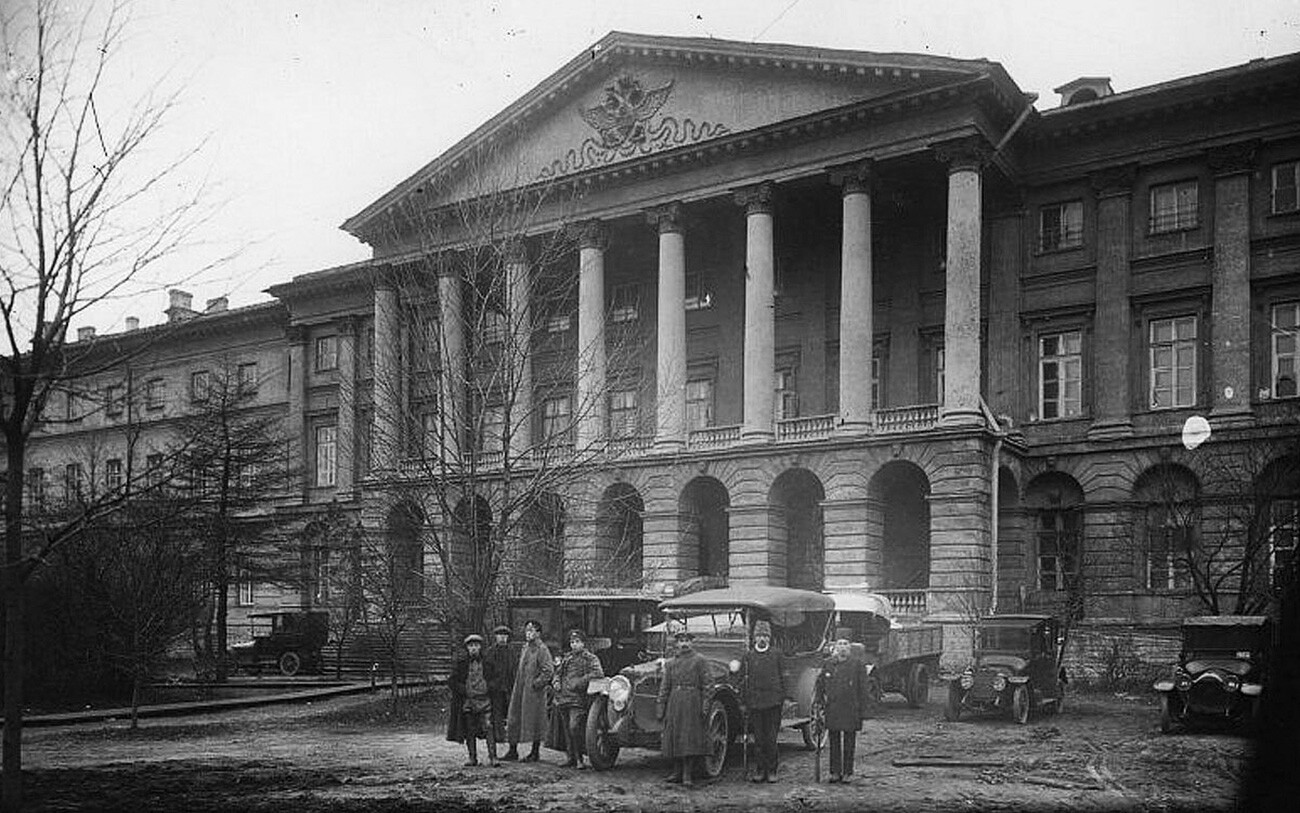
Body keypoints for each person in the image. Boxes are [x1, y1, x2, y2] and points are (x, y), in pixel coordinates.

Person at [814, 627, 872, 783]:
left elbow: (864, 690)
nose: (842, 647)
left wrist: (863, 711)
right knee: (834, 742)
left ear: (850, 647)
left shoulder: (857, 665)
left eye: (846, 644)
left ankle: (847, 772)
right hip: (833, 709)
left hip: (851, 709)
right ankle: (834, 772)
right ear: (835, 646)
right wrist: (819, 705)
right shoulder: (828, 664)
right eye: (840, 643)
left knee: (849, 742)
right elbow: (820, 687)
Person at [657, 628, 710, 788]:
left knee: (689, 738)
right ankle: (676, 771)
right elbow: (665, 686)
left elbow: (708, 684)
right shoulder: (671, 663)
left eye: (687, 641)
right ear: (676, 644)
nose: (684, 644)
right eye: (681, 641)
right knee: (674, 737)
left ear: (692, 643)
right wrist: (661, 705)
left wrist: (705, 704)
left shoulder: (700, 660)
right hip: (675, 701)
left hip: (692, 701)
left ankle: (688, 774)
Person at [740, 619, 786, 783]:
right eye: (759, 635)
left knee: (771, 738)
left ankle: (772, 771)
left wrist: (781, 699)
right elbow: (743, 680)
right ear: (754, 638)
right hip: (755, 703)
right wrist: (745, 702)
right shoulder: (748, 656)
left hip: (773, 703)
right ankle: (760, 770)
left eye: (765, 636)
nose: (762, 639)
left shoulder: (776, 654)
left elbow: (783, 678)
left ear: (769, 638)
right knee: (758, 739)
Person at [551, 628, 605, 768]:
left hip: (579, 699)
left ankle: (580, 758)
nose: (574, 645)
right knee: (566, 730)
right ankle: (571, 758)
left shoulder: (590, 658)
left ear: (583, 643)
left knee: (574, 727)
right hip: (564, 698)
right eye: (572, 642)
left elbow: (598, 673)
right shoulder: (567, 658)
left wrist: (580, 682)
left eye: (577, 642)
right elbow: (557, 673)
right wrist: (556, 682)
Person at [446, 633, 500, 767]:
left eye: (476, 645)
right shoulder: (461, 664)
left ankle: (493, 757)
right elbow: (452, 681)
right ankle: (472, 758)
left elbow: (498, 678)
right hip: (468, 701)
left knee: (488, 727)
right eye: (471, 646)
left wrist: (489, 687)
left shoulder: (489, 663)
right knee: (469, 729)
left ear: (480, 647)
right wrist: (463, 690)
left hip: (485, 700)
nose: (474, 648)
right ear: (467, 648)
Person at [506, 618, 553, 762]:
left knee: (535, 720)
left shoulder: (542, 649)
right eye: (526, 630)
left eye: (531, 631)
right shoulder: (525, 647)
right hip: (520, 689)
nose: (528, 633)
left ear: (538, 633)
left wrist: (536, 684)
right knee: (514, 718)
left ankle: (535, 752)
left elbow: (548, 671)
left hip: (534, 693)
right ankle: (512, 750)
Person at [485, 624, 517, 759]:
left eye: (505, 636)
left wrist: (514, 686)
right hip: (495, 691)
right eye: (500, 635)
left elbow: (515, 670)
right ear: (496, 636)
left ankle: (513, 750)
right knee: (495, 719)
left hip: (510, 690)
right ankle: (494, 752)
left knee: (512, 719)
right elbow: (486, 672)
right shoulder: (490, 652)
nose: (502, 638)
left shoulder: (512, 651)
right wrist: (491, 685)